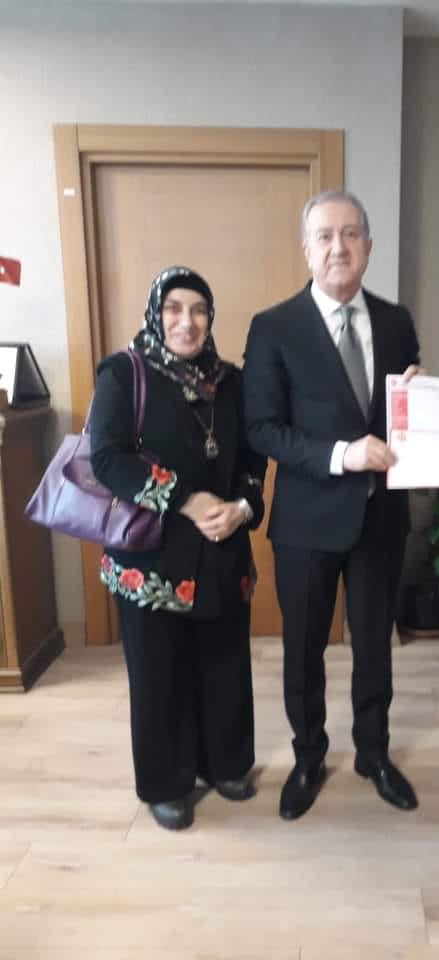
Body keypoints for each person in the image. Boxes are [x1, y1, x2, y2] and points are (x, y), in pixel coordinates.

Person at [243, 190, 421, 820]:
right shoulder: (274, 327)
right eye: (324, 236)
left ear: (368, 246)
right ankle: (308, 757)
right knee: (303, 651)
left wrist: (424, 414)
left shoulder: (397, 321)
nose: (338, 247)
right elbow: (262, 429)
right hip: (307, 520)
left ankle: (374, 754)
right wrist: (345, 454)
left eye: (350, 234)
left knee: (374, 645)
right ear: (307, 249)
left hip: (380, 518)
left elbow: (404, 413)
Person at [90, 266, 266, 831]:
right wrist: (186, 500)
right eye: (173, 309)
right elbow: (107, 458)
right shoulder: (124, 373)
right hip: (152, 556)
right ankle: (167, 783)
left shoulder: (232, 382)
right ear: (155, 314)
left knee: (225, 663)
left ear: (210, 319)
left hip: (223, 548)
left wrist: (242, 508)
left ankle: (226, 764)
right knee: (159, 672)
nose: (186, 321)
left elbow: (253, 461)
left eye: (198, 310)